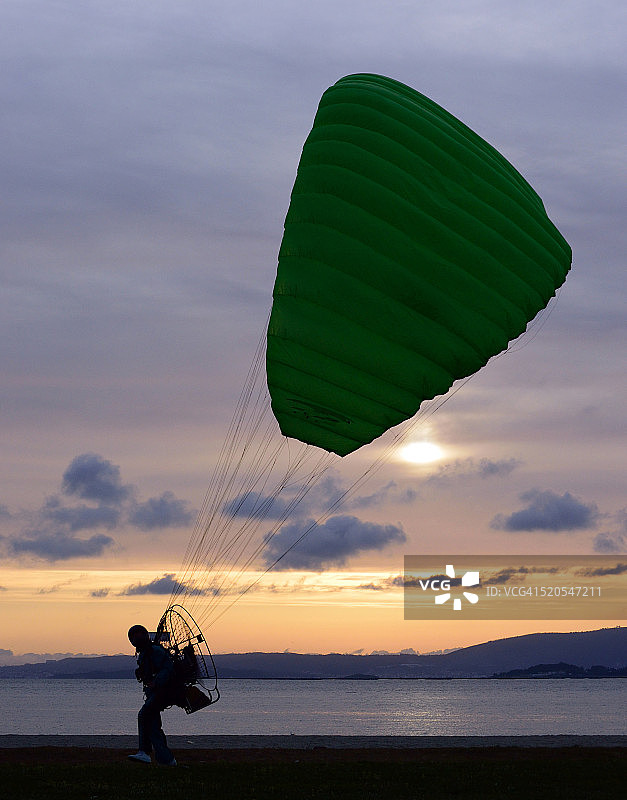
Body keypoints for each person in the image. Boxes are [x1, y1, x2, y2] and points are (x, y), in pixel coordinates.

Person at [127, 624, 177, 766]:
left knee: (144, 715)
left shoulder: (154, 651)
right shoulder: (146, 652)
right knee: (153, 726)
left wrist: (156, 682)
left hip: (163, 692)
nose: (135, 639)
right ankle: (166, 759)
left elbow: (168, 668)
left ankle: (145, 752)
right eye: (132, 637)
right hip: (156, 693)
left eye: (137, 635)